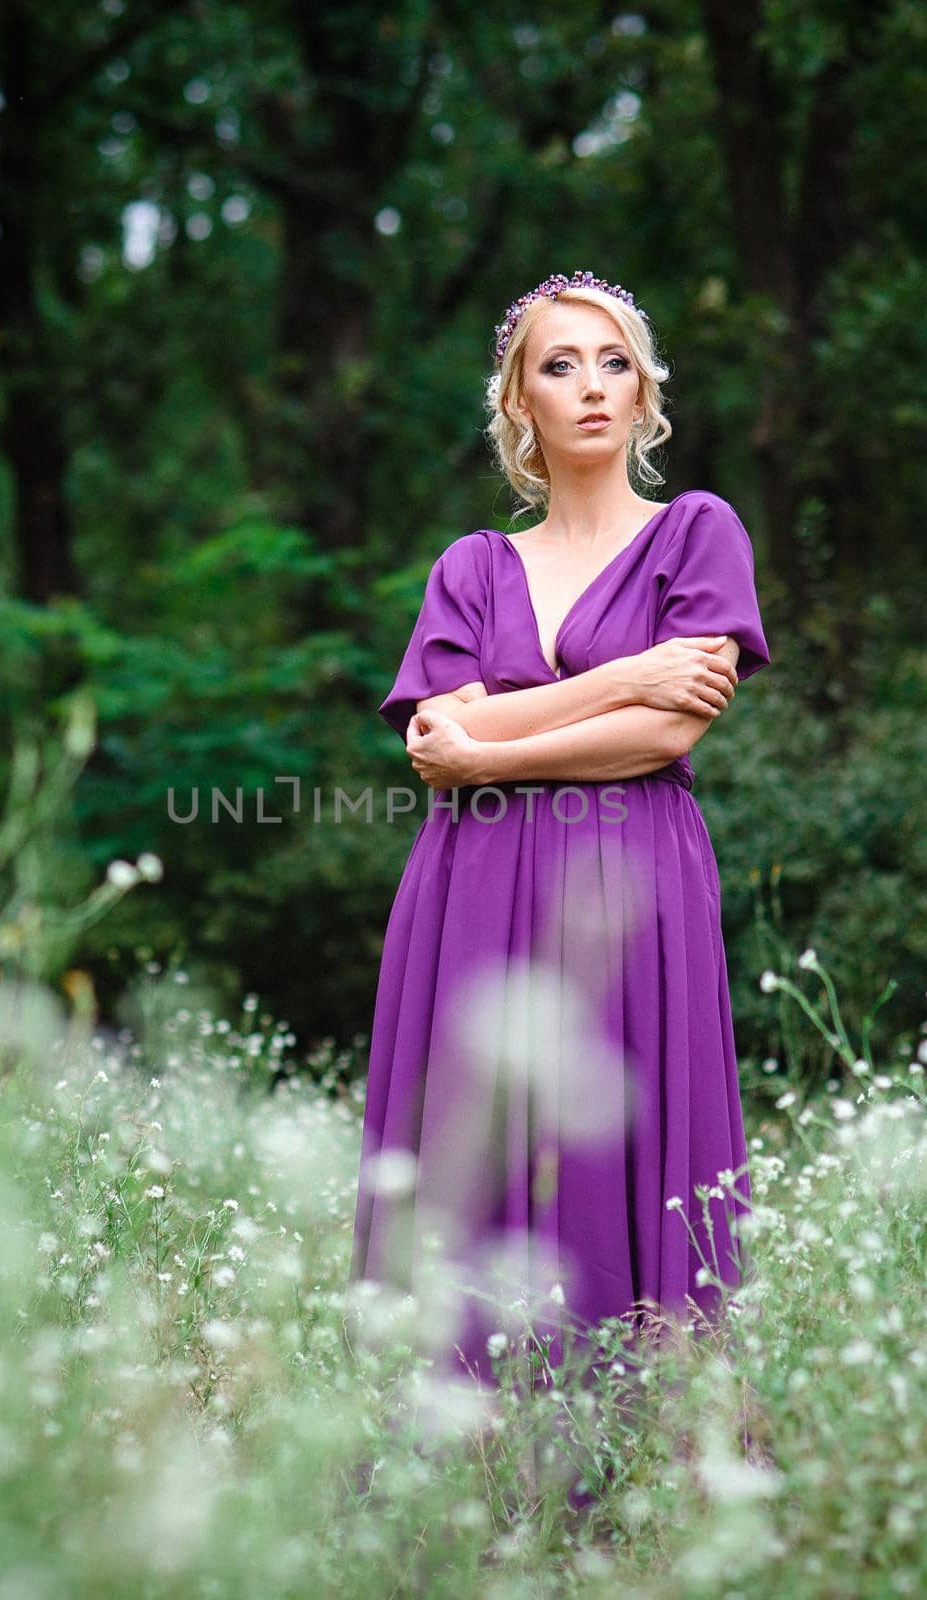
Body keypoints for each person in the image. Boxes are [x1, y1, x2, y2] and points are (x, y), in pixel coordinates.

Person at [346, 269, 771, 1413]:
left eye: (613, 361)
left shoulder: (697, 531)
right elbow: (434, 734)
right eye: (557, 364)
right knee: (468, 1150)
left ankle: (638, 1457)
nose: (589, 385)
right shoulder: (469, 566)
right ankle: (461, 1461)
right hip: (470, 887)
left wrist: (488, 746)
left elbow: (668, 729)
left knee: (617, 1135)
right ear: (517, 403)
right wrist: (622, 673)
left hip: (631, 882)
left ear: (642, 395)